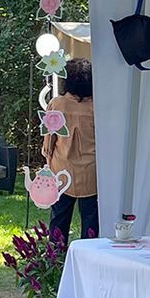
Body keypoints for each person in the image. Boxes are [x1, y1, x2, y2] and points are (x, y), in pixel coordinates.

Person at [42, 58, 97, 242]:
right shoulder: (97, 106)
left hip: (62, 171)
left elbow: (49, 142)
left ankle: (55, 260)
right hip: (92, 172)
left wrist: (48, 164)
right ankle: (89, 261)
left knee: (59, 220)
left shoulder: (57, 104)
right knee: (91, 222)